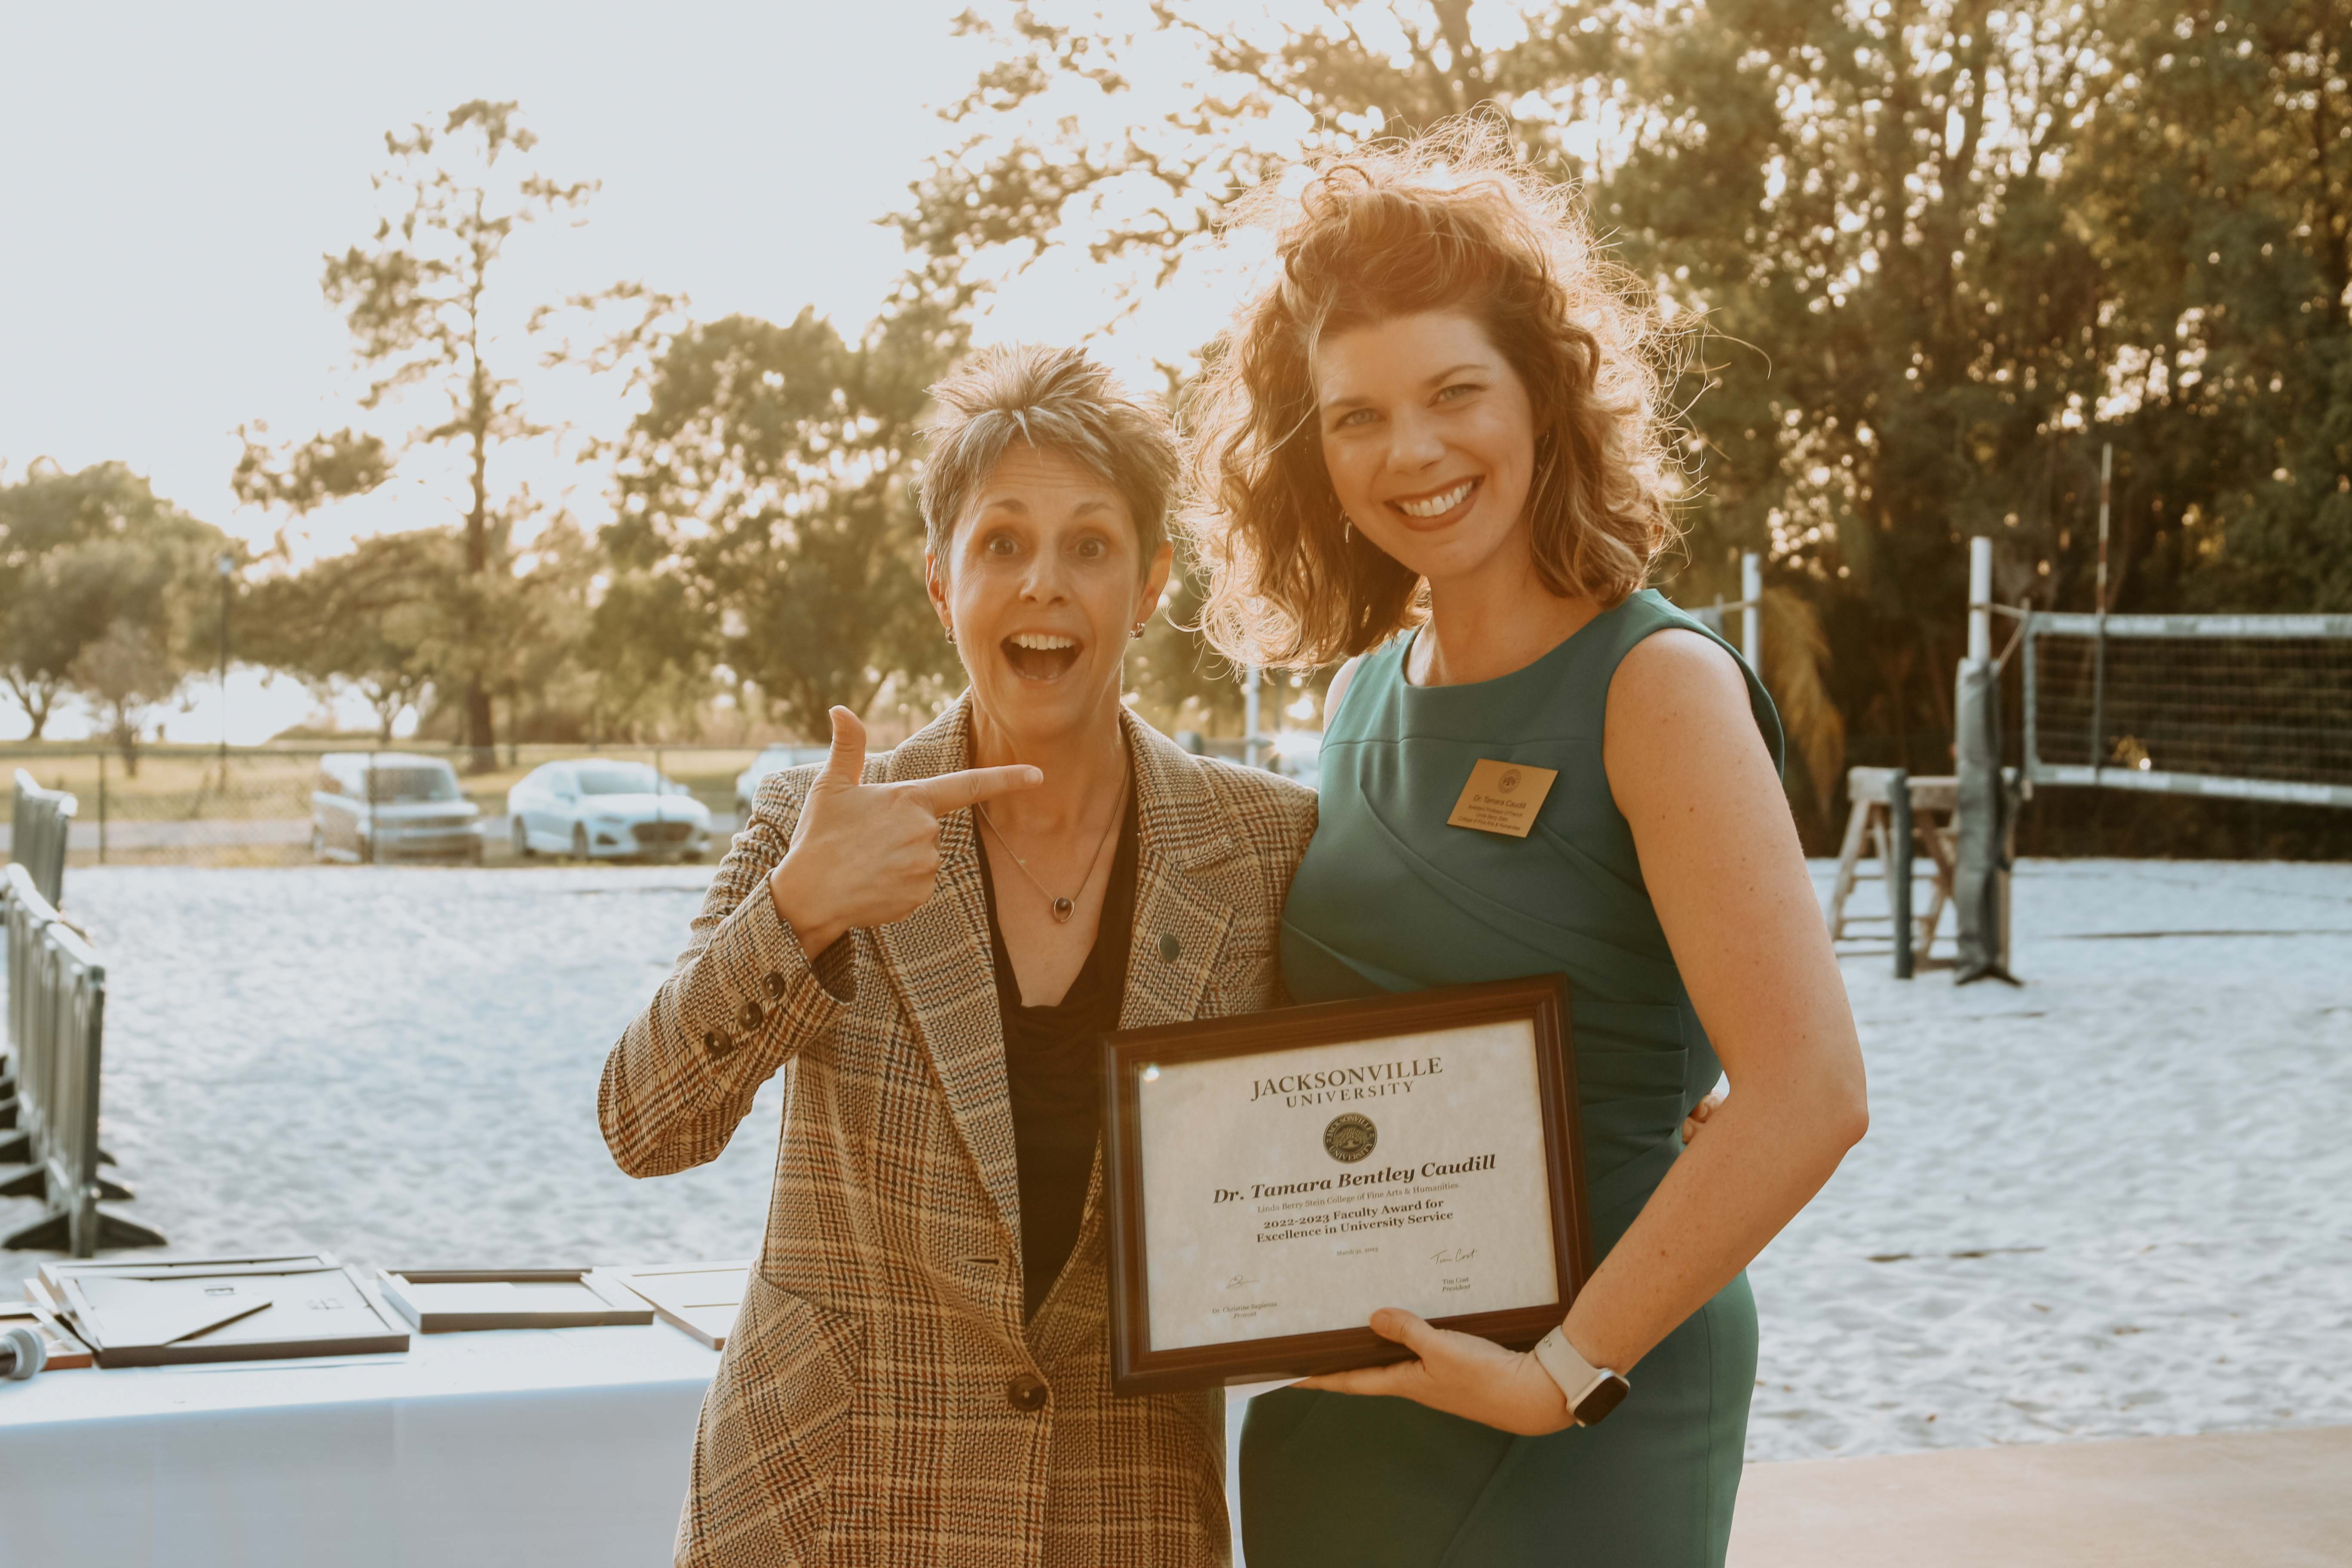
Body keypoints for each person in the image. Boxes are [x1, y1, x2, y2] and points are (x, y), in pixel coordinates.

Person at [1182, 125, 1869, 1566]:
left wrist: (1562, 1378)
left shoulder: (1657, 685)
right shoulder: (1362, 687)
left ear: (1544, 400)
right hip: (1350, 1405)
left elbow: (1808, 1093)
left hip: (1588, 1407)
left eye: (1453, 394)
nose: (1411, 453)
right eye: (1357, 416)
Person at [599, 343, 1317, 1568]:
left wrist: (1627, 1105)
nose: (1045, 584)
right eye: (1003, 545)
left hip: (1124, 1514)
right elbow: (647, 1125)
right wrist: (798, 913)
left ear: (1149, 584)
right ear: (942, 584)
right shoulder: (810, 821)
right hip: (825, 1514)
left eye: (1090, 546)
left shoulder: (1267, 848)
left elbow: (1373, 1118)